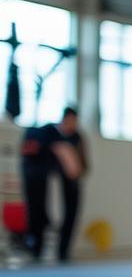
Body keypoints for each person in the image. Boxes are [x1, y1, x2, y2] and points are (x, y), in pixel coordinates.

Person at [20, 107, 88, 263]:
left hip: (64, 177)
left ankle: (63, 251)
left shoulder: (76, 137)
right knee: (38, 210)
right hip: (39, 176)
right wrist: (61, 151)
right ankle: (36, 248)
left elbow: (78, 166)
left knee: (72, 204)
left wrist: (74, 166)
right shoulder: (45, 133)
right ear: (64, 119)